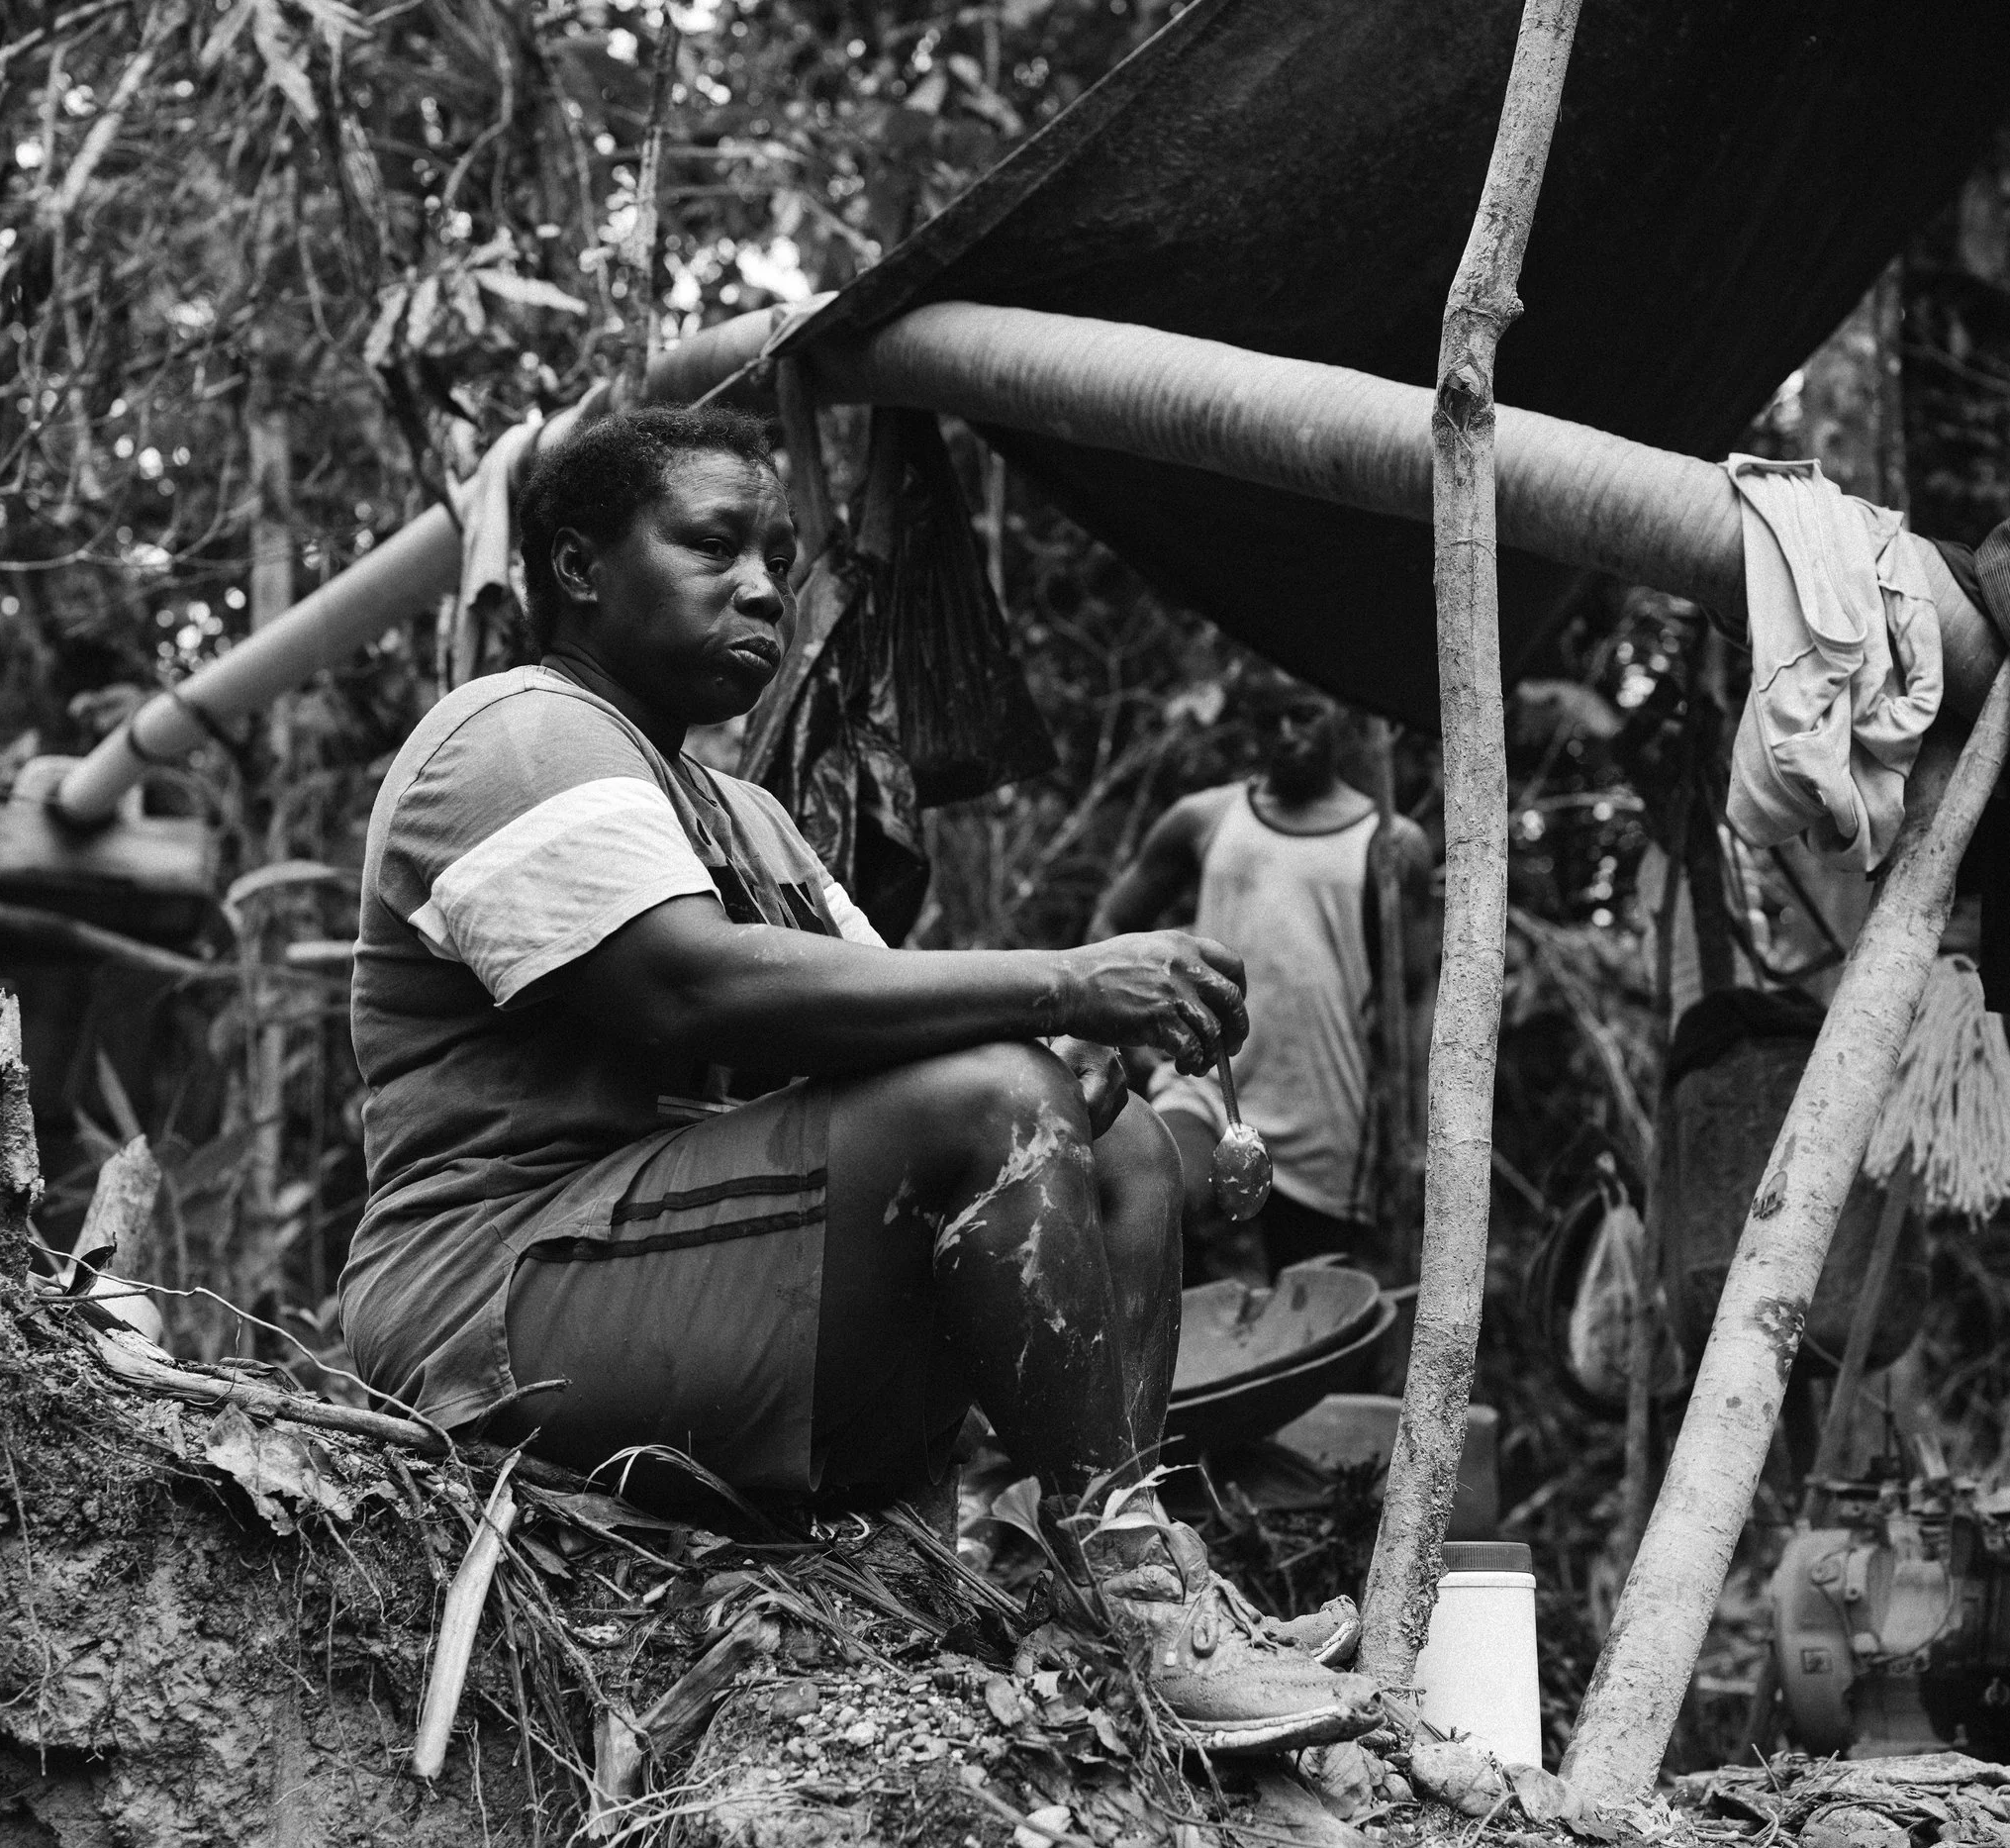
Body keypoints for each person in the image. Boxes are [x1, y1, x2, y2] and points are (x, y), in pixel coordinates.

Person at [337, 406, 1379, 1751]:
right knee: (996, 1101)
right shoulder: (520, 732)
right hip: (491, 1300)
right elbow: (684, 984)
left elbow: (913, 1040)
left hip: (676, 1266)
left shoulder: (743, 808)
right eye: (716, 544)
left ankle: (1127, 1589)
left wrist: (1082, 1062)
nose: (766, 583)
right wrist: (1064, 985)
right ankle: (1139, 1613)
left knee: (1104, 1139)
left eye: (774, 550)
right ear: (581, 567)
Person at [1093, 676, 1436, 1283]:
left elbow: (1412, 991)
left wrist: (1413, 1131)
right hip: (1206, 1083)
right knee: (1153, 1201)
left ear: (1339, 719)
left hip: (1326, 1104)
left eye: (1303, 716)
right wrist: (1130, 1045)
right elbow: (1115, 922)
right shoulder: (1206, 818)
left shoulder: (1391, 842)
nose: (1286, 735)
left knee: (1312, 1296)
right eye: (1269, 720)